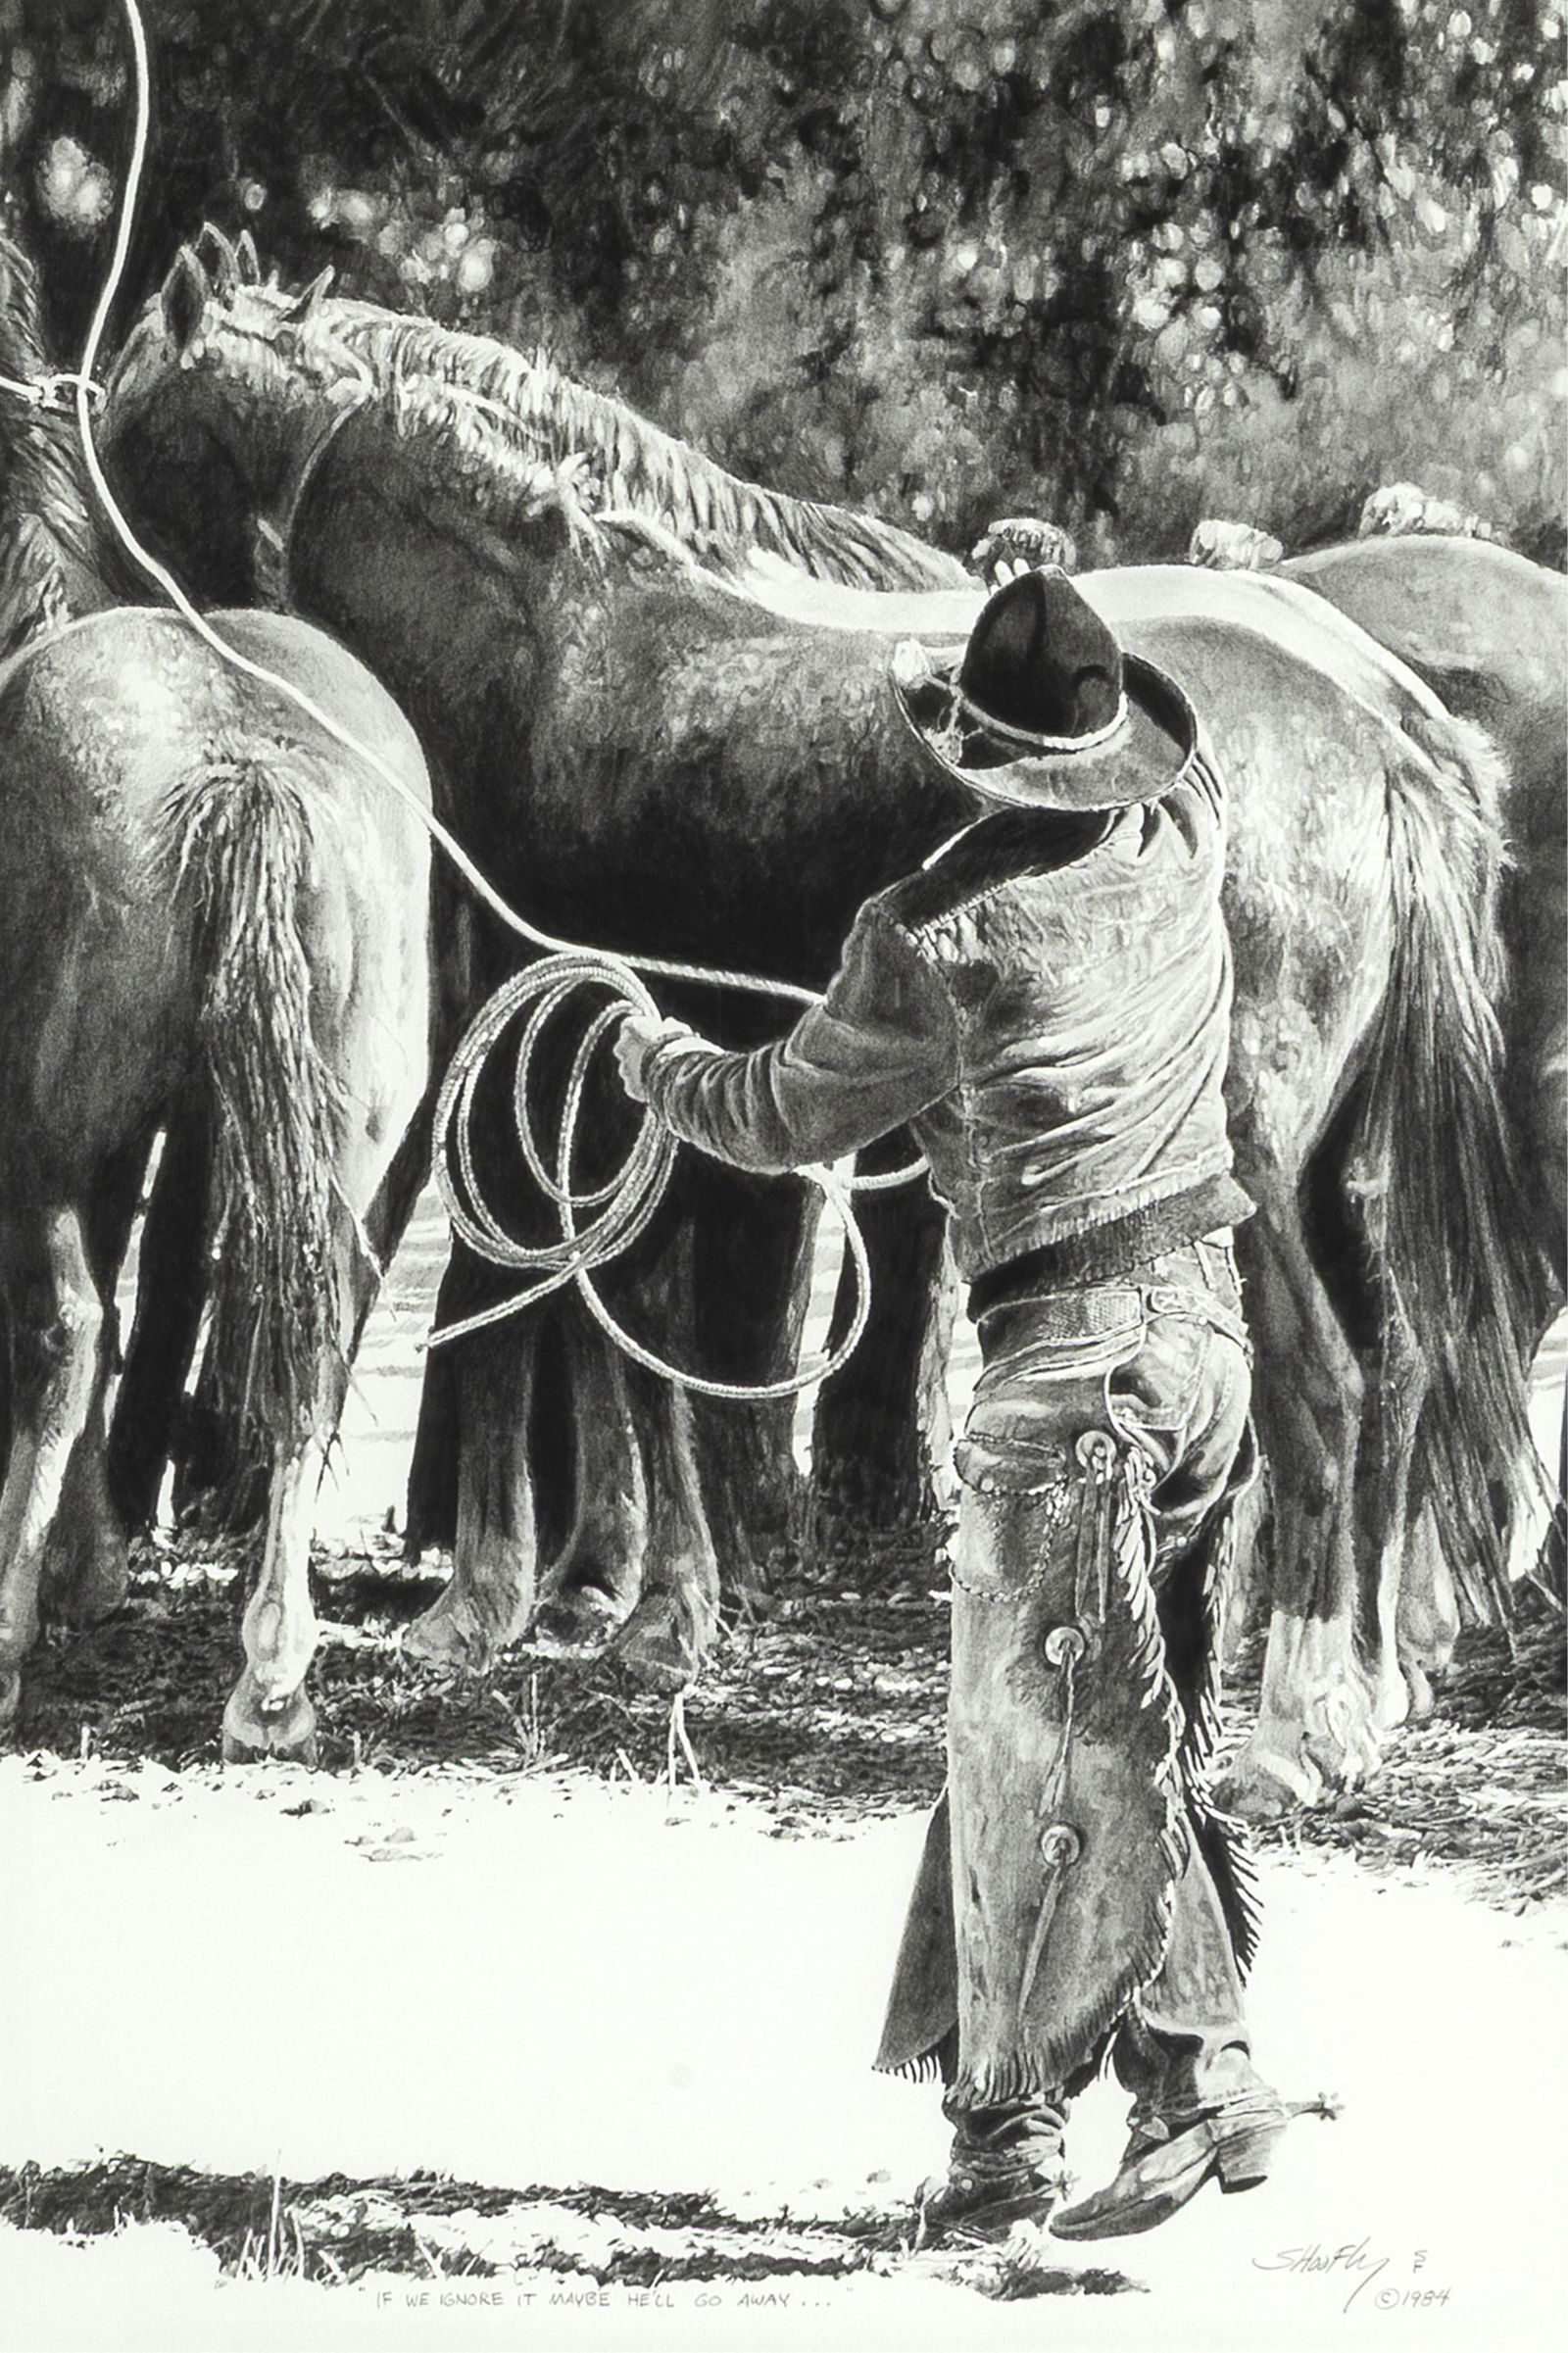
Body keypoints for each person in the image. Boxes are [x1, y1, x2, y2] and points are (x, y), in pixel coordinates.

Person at [615, 565, 1293, 2241]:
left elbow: (778, 1114)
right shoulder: (1186, 838)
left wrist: (650, 1063)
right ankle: (1001, 2136)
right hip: (1212, 1360)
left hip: (1068, 1385)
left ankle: (1199, 2070)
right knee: (1050, 1735)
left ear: (974, 754)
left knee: (1065, 1738)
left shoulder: (929, 936)